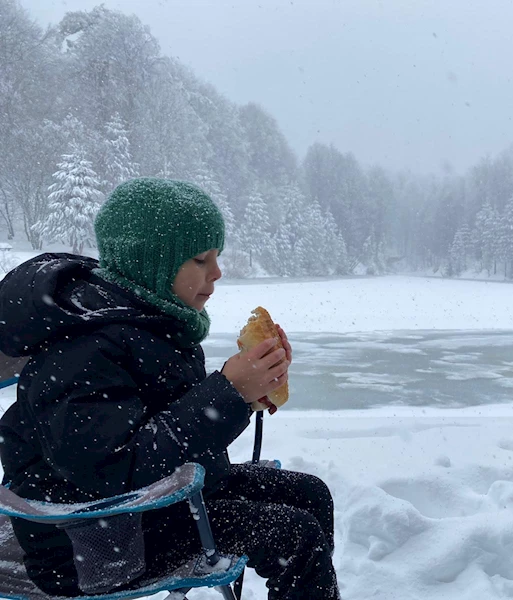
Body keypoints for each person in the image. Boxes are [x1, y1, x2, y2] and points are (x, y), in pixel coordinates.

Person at [0, 178, 340, 600]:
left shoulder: (149, 322)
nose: (217, 273)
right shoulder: (84, 346)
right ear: (150, 263)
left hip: (156, 504)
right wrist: (228, 392)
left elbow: (167, 420)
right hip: (93, 538)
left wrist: (249, 391)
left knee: (309, 494)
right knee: (293, 535)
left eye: (217, 257)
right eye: (201, 259)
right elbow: (113, 467)